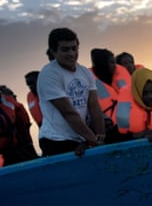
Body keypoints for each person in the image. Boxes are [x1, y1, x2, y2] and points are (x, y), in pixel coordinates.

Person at [37, 27, 105, 157]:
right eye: (65, 49)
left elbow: (94, 106)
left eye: (74, 48)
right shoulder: (49, 74)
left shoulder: (85, 73)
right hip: (56, 140)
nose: (71, 54)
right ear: (53, 52)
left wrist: (101, 136)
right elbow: (68, 112)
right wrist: (93, 140)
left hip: (81, 138)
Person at [91, 48, 132, 143]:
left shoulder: (123, 78)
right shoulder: (90, 83)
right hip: (109, 131)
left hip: (130, 126)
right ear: (103, 64)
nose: (115, 66)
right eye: (112, 63)